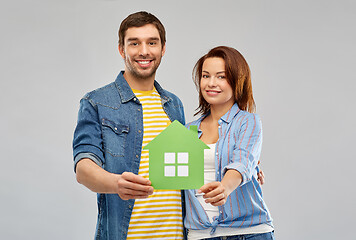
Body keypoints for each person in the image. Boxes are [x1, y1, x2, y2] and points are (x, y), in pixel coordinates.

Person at [72, 11, 185, 239]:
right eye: (134, 43)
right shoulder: (96, 102)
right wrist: (117, 184)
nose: (144, 51)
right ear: (122, 49)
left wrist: (236, 163)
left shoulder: (174, 105)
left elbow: (186, 168)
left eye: (151, 42)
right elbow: (83, 168)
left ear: (163, 48)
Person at [184, 46, 274, 240]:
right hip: (201, 235)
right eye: (206, 76)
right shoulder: (187, 130)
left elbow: (242, 162)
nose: (211, 83)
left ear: (237, 81)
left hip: (248, 233)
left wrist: (225, 187)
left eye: (221, 77)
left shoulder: (248, 122)